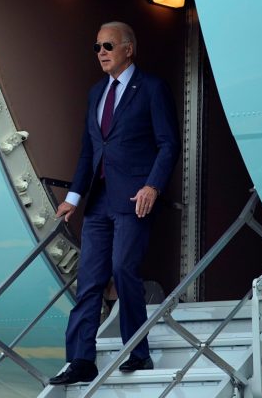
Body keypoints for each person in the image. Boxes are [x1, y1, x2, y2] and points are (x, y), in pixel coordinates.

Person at [49, 21, 180, 385]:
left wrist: (152, 186)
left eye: (108, 46)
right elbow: (89, 150)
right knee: (88, 280)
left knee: (123, 270)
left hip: (134, 197)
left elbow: (169, 144)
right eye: (97, 47)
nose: (101, 53)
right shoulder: (96, 93)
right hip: (99, 200)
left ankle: (138, 352)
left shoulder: (152, 88)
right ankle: (80, 360)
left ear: (128, 49)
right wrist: (73, 198)